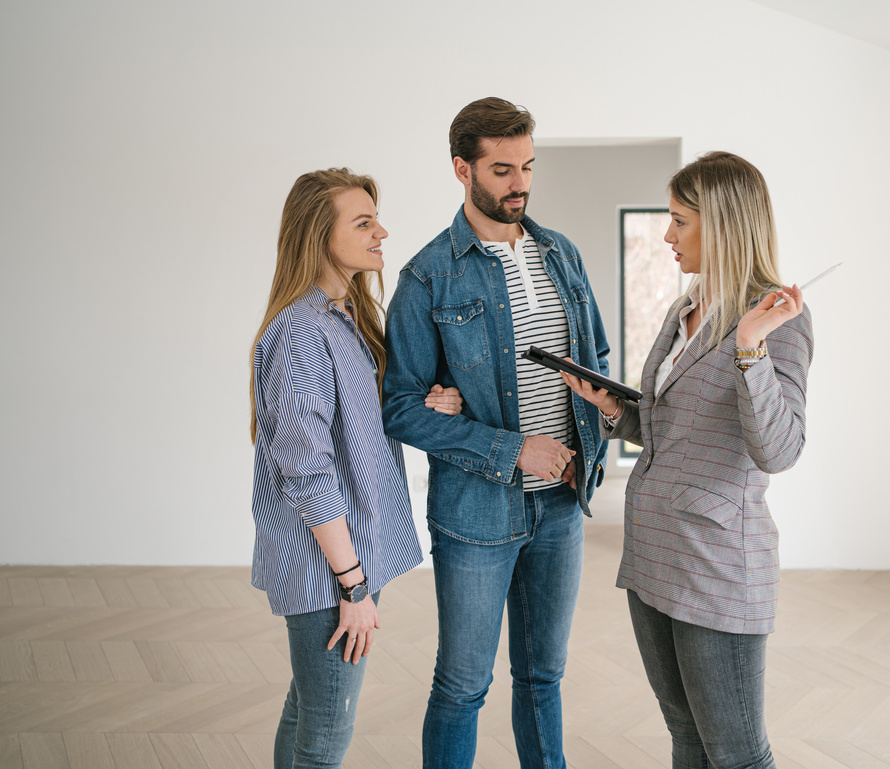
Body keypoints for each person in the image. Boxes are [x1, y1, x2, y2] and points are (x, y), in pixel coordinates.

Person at [561, 151, 814, 769]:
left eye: (679, 221)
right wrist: (614, 411)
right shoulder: (685, 309)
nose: (667, 235)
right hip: (652, 552)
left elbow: (778, 450)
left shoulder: (778, 322)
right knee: (685, 736)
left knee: (736, 752)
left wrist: (750, 348)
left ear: (723, 225)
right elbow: (670, 429)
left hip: (716, 564)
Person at [380, 97, 611, 769]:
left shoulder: (561, 255)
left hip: (561, 506)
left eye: (528, 166)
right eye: (503, 169)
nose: (520, 184)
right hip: (476, 513)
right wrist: (513, 449)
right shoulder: (428, 275)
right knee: (462, 685)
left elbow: (593, 364)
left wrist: (591, 438)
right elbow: (400, 408)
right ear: (463, 169)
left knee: (542, 678)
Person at [249, 168, 464, 769]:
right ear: (319, 235)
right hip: (329, 571)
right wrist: (353, 586)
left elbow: (350, 421)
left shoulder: (344, 318)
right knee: (325, 739)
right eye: (363, 222)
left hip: (341, 563)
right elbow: (306, 470)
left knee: (306, 713)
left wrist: (426, 402)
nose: (382, 232)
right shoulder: (300, 332)